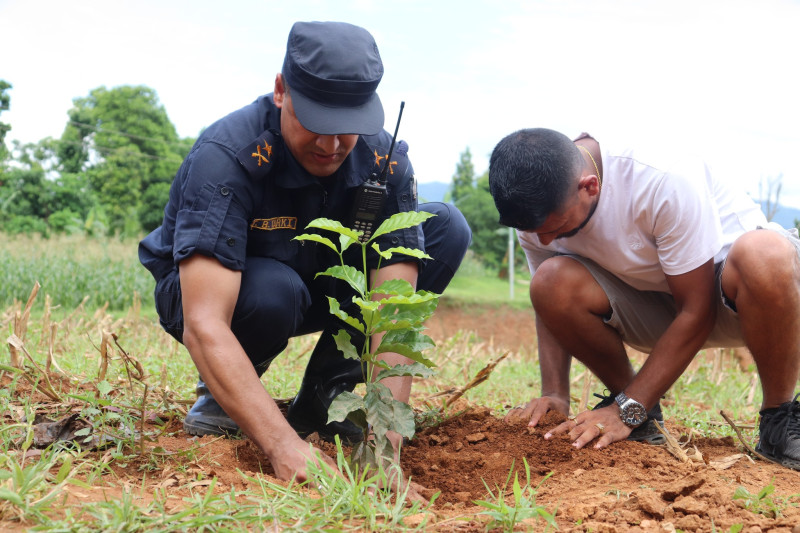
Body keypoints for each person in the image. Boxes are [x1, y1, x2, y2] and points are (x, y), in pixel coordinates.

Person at [138, 21, 471, 483]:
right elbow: (204, 321)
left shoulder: (383, 158)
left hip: (323, 279)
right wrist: (282, 447)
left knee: (443, 229)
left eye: (347, 128)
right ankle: (224, 393)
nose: (330, 145)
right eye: (316, 124)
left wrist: (385, 448)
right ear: (281, 91)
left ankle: (325, 396)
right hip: (224, 294)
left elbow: (392, 313)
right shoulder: (227, 155)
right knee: (273, 290)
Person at [487, 127, 800, 470]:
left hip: (747, 302)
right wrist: (555, 392)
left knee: (765, 253)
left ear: (589, 187)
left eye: (556, 228)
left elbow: (697, 311)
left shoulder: (662, 178)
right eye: (534, 232)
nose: (544, 241)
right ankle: (640, 413)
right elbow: (547, 301)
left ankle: (779, 422)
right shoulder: (541, 208)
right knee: (549, 279)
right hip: (653, 305)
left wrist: (626, 411)